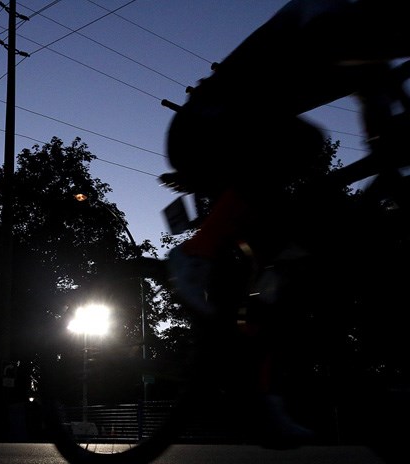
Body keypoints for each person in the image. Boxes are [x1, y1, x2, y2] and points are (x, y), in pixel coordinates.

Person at [165, 0, 410, 316]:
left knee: (288, 225)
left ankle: (260, 300)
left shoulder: (365, 53)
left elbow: (377, 106)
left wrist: (385, 141)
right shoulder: (333, 18)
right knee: (302, 142)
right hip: (204, 125)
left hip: (218, 128)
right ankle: (197, 251)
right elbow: (341, 48)